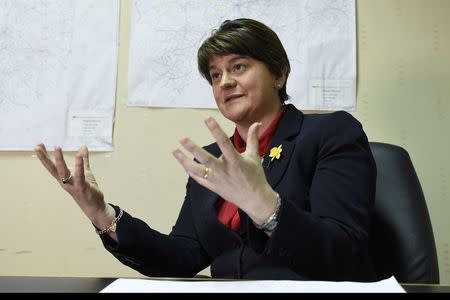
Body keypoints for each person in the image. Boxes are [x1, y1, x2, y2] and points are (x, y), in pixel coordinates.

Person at [35, 18, 377, 281]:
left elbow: (345, 252)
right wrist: (104, 217)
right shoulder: (212, 159)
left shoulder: (329, 133)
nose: (225, 82)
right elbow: (183, 257)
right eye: (215, 75)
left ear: (279, 74)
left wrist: (267, 207)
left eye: (238, 67)